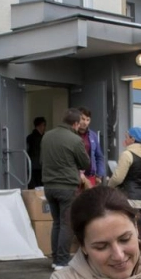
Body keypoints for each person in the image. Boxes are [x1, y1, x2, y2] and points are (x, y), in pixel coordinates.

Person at [42, 108, 91, 270]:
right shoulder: (75, 140)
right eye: (79, 124)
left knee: (56, 223)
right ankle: (62, 261)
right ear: (76, 123)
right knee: (66, 224)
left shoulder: (47, 136)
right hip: (67, 186)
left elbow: (43, 159)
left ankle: (55, 258)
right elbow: (85, 163)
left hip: (49, 186)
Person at [108, 126, 141, 240]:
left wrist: (109, 186)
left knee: (128, 233)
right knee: (140, 232)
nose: (125, 140)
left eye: (126, 137)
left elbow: (118, 178)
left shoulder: (127, 154)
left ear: (132, 139)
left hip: (129, 199)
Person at [77, 108, 106, 186]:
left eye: (88, 120)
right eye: (82, 119)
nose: (85, 122)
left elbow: (99, 156)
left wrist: (99, 174)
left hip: (90, 176)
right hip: (75, 177)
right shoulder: (71, 134)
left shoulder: (93, 135)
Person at [27, 116, 46, 188]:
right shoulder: (41, 138)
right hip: (39, 165)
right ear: (40, 125)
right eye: (44, 125)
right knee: (40, 186)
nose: (44, 127)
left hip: (32, 165)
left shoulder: (30, 137)